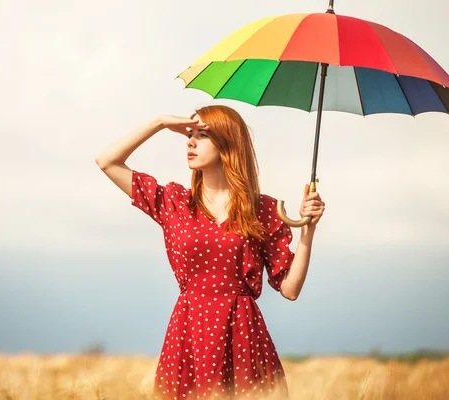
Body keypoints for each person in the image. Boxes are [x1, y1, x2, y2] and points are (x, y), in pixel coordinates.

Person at [95, 105, 325, 400]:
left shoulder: (263, 209)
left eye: (202, 135)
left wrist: (309, 229)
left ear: (228, 144)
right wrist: (160, 122)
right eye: (189, 134)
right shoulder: (174, 202)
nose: (190, 141)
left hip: (242, 335)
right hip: (189, 332)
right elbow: (107, 162)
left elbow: (290, 289)